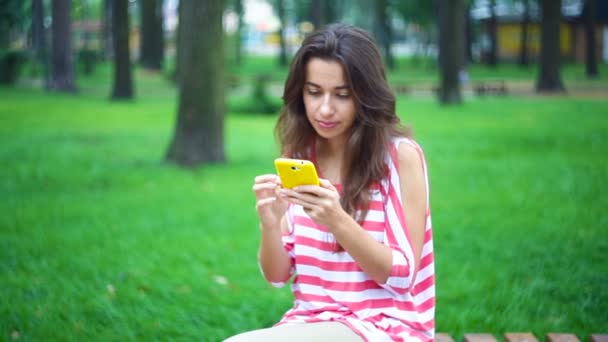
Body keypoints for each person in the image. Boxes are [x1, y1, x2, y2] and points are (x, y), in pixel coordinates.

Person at [225, 24, 435, 342]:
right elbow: (277, 276)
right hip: (310, 322)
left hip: (387, 327)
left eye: (342, 94)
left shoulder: (399, 157)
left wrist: (336, 220)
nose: (325, 109)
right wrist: (270, 224)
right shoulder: (300, 156)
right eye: (314, 92)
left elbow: (403, 275)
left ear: (365, 94)